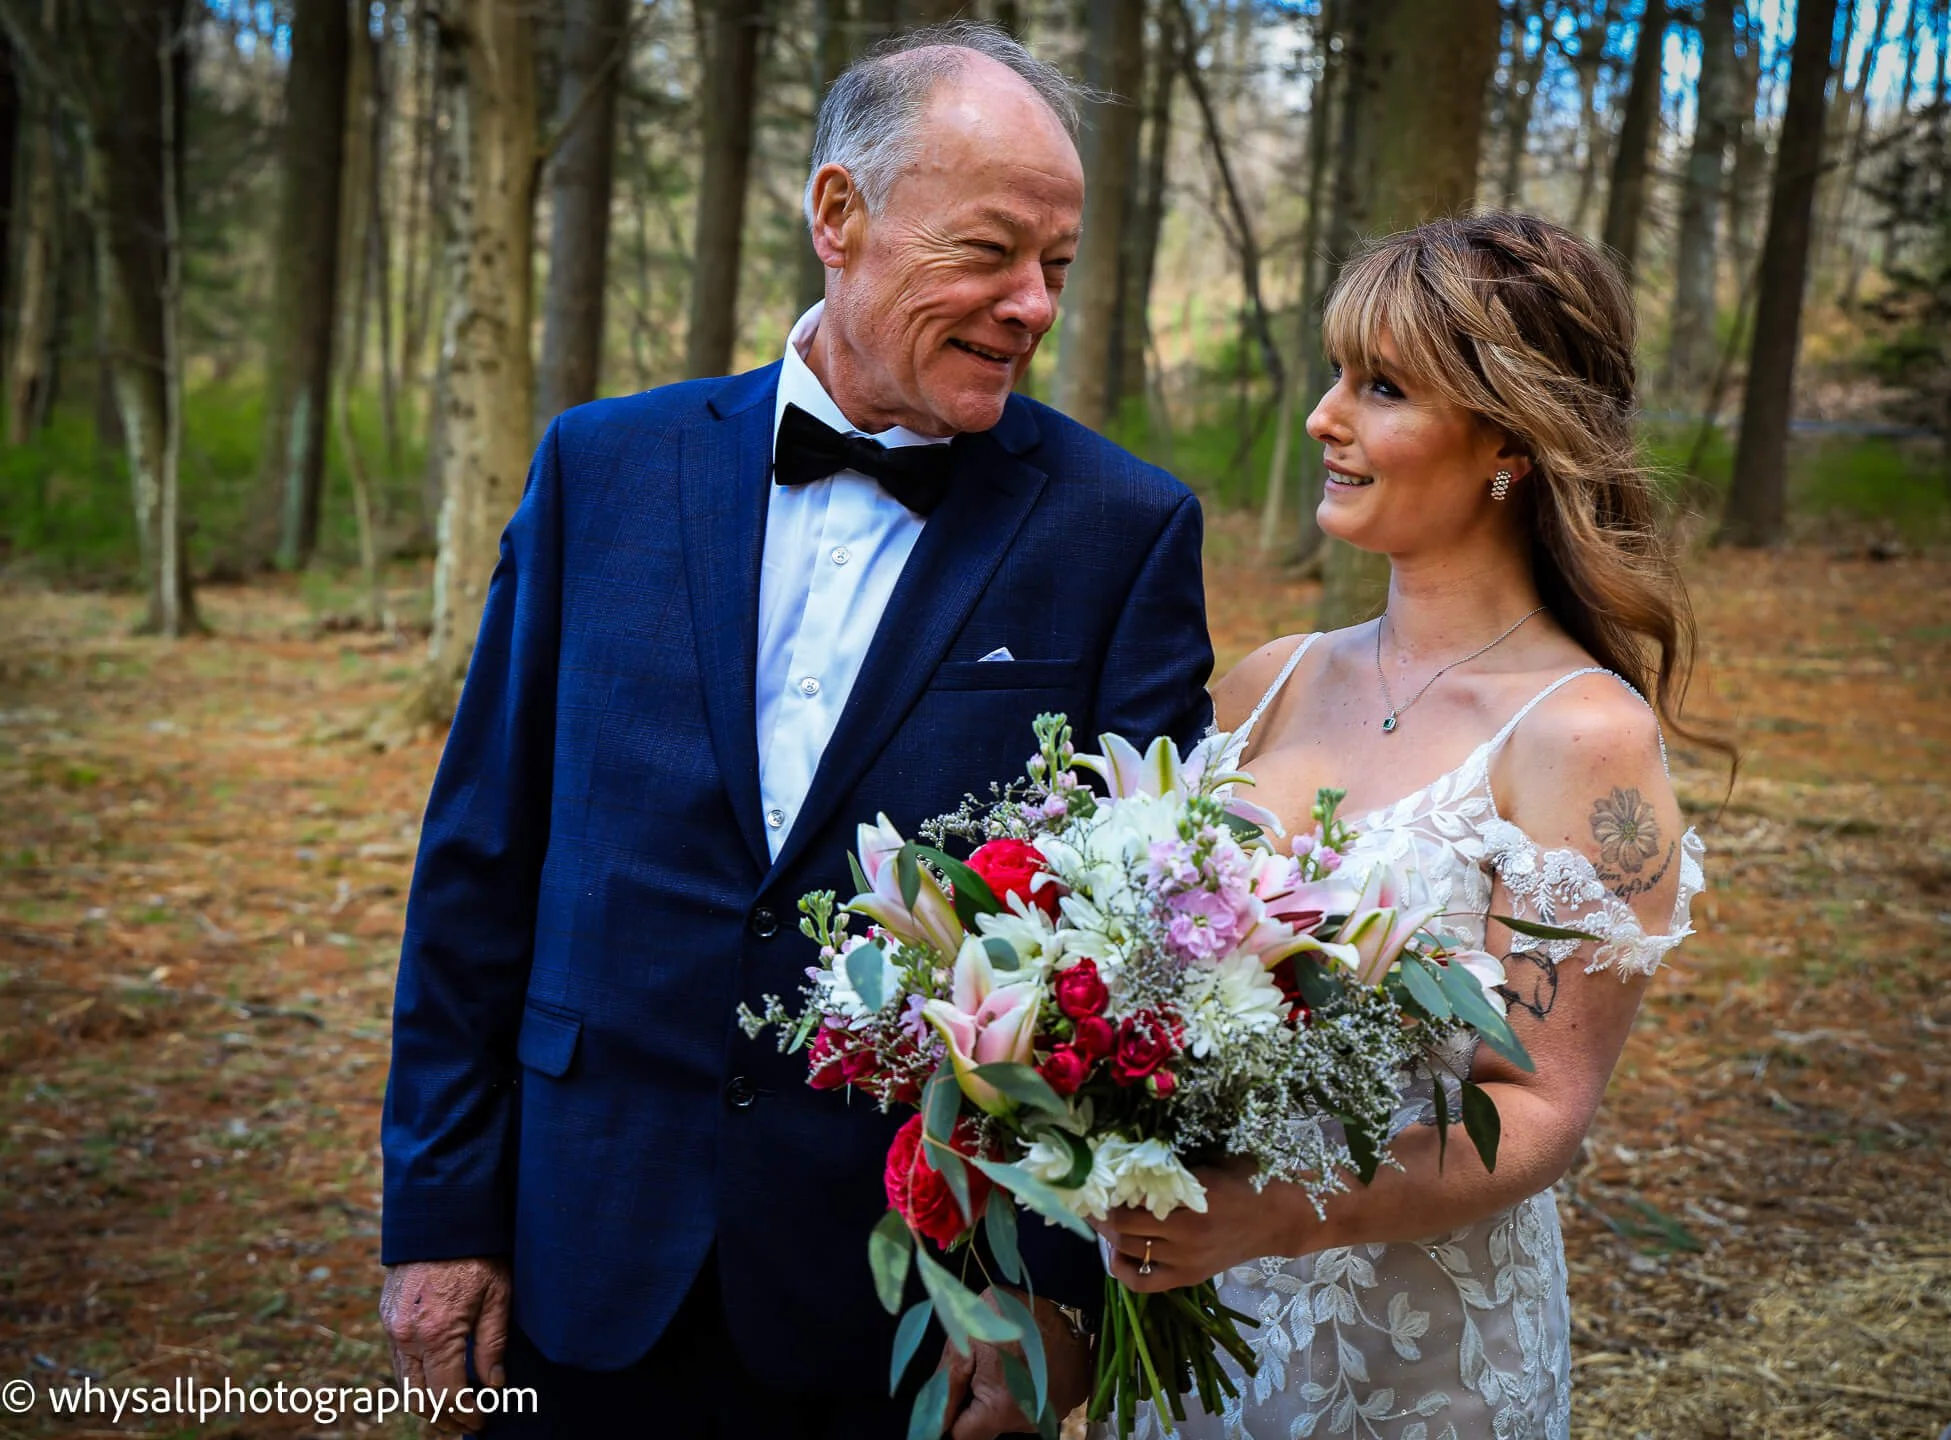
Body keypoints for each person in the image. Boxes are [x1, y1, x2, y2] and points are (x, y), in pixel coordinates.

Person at [376, 23, 1215, 1440]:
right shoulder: (599, 470)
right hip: (584, 1246)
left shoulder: (1120, 531)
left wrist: (1059, 1298)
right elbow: (480, 863)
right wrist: (443, 1212)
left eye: (1057, 268)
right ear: (838, 215)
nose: (1030, 305)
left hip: (918, 1317)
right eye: (989, 252)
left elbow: (1152, 956)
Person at [1089, 212, 1717, 1438]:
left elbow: (1538, 1110)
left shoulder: (1580, 735)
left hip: (1413, 1360)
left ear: (1508, 440)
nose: (1322, 417)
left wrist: (1281, 1212)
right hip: (1184, 1335)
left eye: (1380, 388)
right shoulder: (1267, 682)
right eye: (1337, 375)